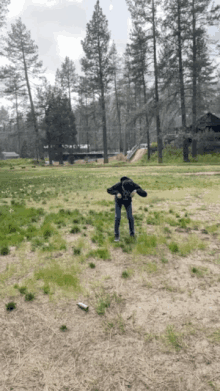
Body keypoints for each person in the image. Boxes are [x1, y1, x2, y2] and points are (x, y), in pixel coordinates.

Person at [107, 176, 147, 241]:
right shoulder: (119, 185)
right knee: (118, 217)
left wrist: (136, 191)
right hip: (118, 202)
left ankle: (132, 235)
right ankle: (116, 235)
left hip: (128, 202)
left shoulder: (133, 185)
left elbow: (145, 194)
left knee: (130, 217)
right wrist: (117, 193)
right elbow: (109, 190)